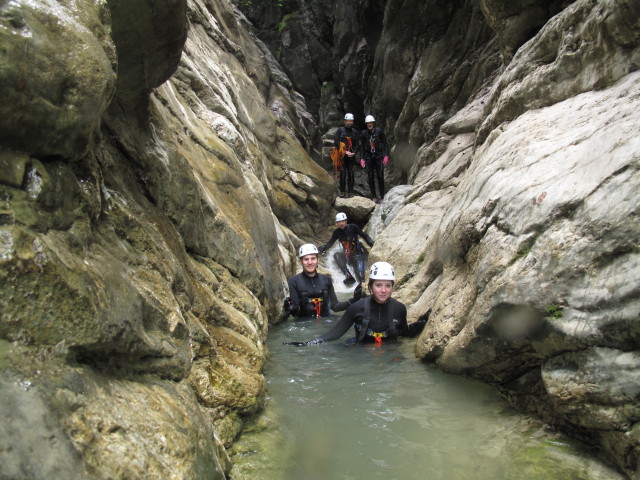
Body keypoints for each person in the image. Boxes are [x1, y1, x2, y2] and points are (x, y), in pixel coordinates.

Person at [284, 262, 430, 345]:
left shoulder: (399, 308)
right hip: (361, 355)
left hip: (388, 359)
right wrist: (308, 343)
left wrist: (421, 322)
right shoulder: (357, 307)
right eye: (379, 285)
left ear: (393, 287)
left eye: (388, 286)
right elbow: (335, 333)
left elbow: (404, 333)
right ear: (370, 287)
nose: (383, 290)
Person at [283, 243, 362, 319]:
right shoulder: (294, 281)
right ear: (301, 262)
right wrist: (292, 308)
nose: (310, 262)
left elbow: (335, 306)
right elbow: (295, 312)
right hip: (305, 326)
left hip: (326, 321)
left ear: (317, 260)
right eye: (306, 259)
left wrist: (354, 300)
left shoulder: (326, 280)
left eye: (313, 258)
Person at [318, 212, 374, 285]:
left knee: (361, 280)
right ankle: (348, 275)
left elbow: (364, 235)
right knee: (337, 255)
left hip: (357, 255)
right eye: (339, 222)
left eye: (343, 221)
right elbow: (330, 243)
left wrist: (371, 243)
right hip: (347, 256)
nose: (341, 223)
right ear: (337, 223)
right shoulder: (337, 232)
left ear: (346, 221)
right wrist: (324, 248)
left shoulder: (353, 227)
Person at [359, 115, 389, 204]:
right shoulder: (364, 133)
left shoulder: (379, 132)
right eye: (368, 123)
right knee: (370, 177)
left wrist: (385, 155)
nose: (369, 124)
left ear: (373, 123)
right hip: (368, 157)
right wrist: (362, 158)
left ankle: (382, 196)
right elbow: (362, 147)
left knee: (380, 176)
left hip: (378, 156)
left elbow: (385, 144)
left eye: (370, 123)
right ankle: (374, 197)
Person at [334, 113, 360, 198]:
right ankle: (342, 191)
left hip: (351, 157)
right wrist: (345, 152)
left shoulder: (354, 132)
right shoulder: (340, 131)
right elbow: (336, 142)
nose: (350, 122)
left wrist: (354, 153)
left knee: (351, 174)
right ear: (345, 121)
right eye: (348, 121)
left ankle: (351, 192)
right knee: (343, 174)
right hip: (342, 157)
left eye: (351, 121)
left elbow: (357, 144)